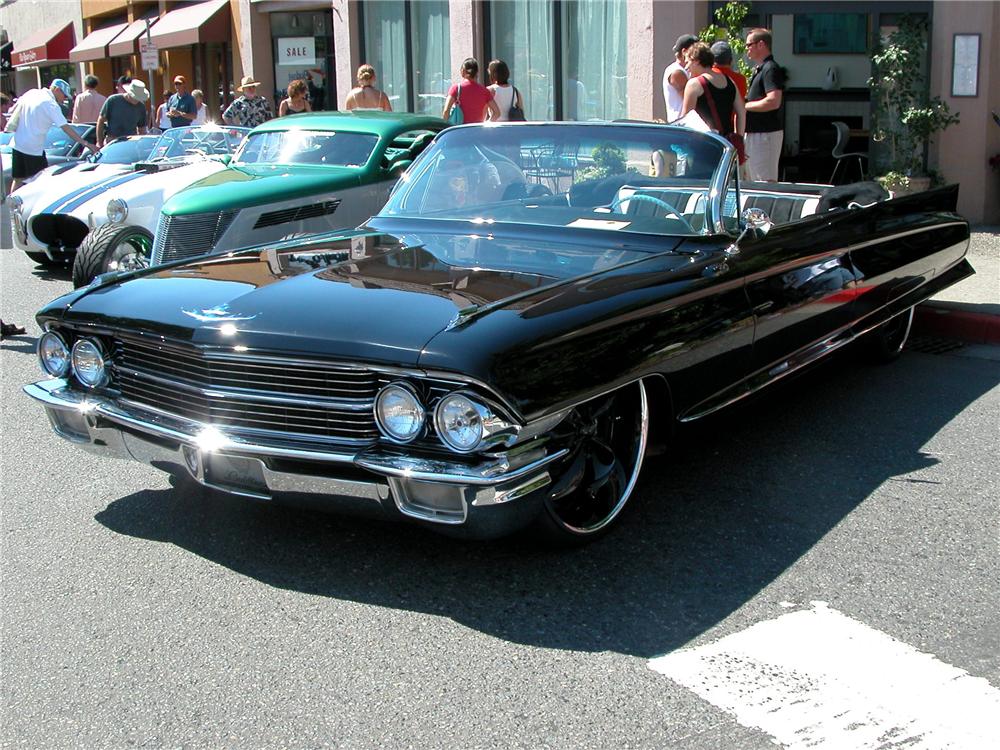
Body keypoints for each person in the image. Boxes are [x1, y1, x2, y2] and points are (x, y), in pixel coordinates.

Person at [7, 79, 98, 191]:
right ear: (57, 90)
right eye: (64, 95)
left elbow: (12, 111)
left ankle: (13, 207)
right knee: (39, 183)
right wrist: (86, 143)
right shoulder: (50, 104)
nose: (64, 99)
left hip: (18, 144)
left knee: (18, 180)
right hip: (34, 149)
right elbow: (66, 128)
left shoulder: (32, 93)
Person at [681, 42, 745, 159]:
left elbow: (686, 119)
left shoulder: (694, 84)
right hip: (726, 146)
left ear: (696, 60)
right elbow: (741, 112)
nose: (686, 67)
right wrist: (738, 138)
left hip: (703, 146)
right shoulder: (729, 81)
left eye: (687, 62)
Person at [744, 28, 786, 182]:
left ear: (761, 44)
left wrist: (745, 106)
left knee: (764, 182)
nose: (747, 48)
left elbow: (774, 101)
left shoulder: (770, 69)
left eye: (749, 45)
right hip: (756, 133)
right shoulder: (761, 69)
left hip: (765, 135)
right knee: (755, 180)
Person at [442, 58, 499, 124]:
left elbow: (446, 111)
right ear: (477, 73)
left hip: (459, 130)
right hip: (476, 130)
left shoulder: (456, 88)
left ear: (463, 71)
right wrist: (486, 124)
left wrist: (446, 127)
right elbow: (497, 113)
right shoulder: (485, 91)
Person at [96, 79, 149, 147]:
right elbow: (100, 121)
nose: (136, 100)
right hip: (112, 142)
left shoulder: (141, 107)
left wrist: (142, 144)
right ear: (129, 93)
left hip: (130, 143)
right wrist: (99, 142)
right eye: (135, 97)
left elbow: (142, 129)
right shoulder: (113, 101)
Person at [663, 34, 696, 122]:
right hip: (681, 123)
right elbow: (689, 98)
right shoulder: (676, 72)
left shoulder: (687, 70)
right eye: (695, 51)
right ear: (684, 51)